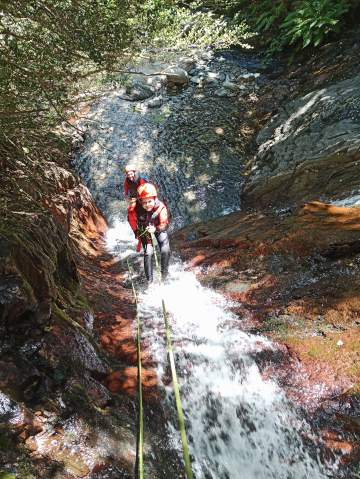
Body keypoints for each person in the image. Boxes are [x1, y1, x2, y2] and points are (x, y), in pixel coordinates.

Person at [128, 183, 171, 283]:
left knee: (165, 249)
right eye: (144, 203)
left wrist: (155, 229)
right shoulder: (136, 208)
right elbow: (131, 219)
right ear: (140, 201)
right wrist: (136, 232)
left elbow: (164, 224)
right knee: (148, 253)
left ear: (154, 199)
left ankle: (164, 275)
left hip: (158, 227)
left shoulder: (161, 207)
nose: (147, 205)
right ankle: (150, 282)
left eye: (150, 201)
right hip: (144, 230)